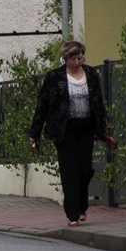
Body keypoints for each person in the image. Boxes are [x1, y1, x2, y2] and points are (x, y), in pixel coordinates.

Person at [29, 40, 114, 227]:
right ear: (65, 58)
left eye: (79, 58)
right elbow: (42, 105)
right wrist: (34, 133)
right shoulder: (55, 77)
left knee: (85, 168)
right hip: (64, 129)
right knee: (69, 171)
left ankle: (82, 205)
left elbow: (98, 102)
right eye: (72, 58)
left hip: (86, 127)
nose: (76, 62)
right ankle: (72, 214)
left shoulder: (91, 74)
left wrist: (102, 129)